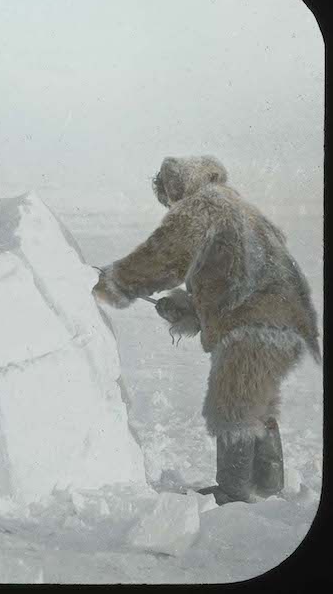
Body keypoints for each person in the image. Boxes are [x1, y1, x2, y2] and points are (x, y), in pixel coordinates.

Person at [92, 155, 320, 504]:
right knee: (258, 405)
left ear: (177, 186)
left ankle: (234, 492)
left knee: (234, 404)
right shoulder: (235, 206)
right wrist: (184, 307)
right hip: (282, 319)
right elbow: (231, 280)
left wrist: (114, 282)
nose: (170, 205)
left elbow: (163, 256)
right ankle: (266, 489)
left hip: (253, 323)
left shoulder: (203, 205)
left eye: (169, 197)